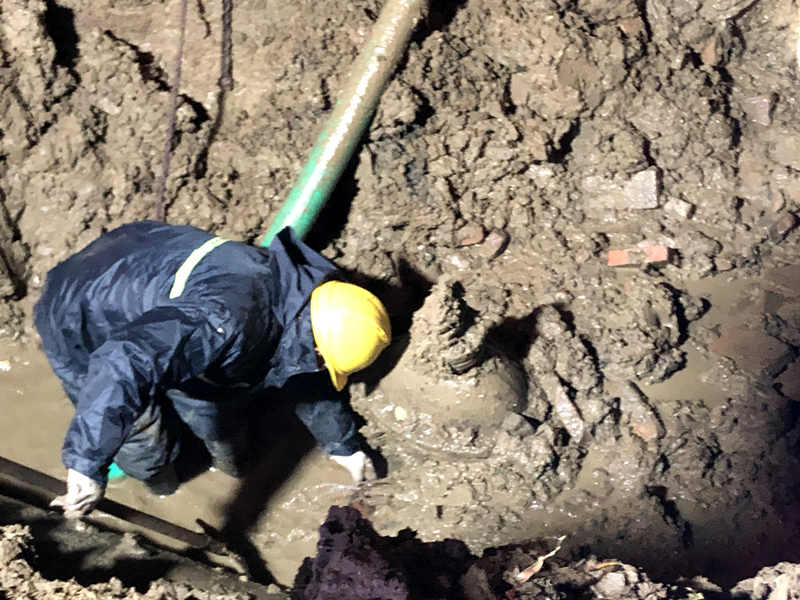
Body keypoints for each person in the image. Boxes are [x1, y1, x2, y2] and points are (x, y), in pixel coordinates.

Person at [34, 221, 391, 519]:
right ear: (316, 345)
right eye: (323, 361)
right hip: (81, 316)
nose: (320, 367)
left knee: (215, 407)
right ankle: (162, 485)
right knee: (144, 445)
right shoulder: (226, 321)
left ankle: (224, 461)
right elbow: (121, 363)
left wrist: (342, 445)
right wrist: (87, 462)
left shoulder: (307, 297)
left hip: (148, 265)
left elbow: (308, 373)